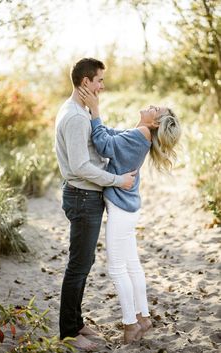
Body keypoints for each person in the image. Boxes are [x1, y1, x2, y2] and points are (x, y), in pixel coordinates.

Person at [78, 86, 181, 344]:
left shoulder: (141, 134)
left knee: (116, 269)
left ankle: (130, 324)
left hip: (122, 210)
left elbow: (103, 144)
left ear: (155, 121)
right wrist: (97, 114)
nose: (151, 105)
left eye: (155, 108)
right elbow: (112, 136)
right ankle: (143, 317)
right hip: (128, 208)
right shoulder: (139, 131)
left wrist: (96, 110)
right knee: (132, 265)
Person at [55, 58, 145, 351]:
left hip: (86, 196)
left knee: (84, 262)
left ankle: (76, 322)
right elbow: (81, 166)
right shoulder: (76, 117)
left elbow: (101, 143)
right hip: (82, 197)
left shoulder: (82, 112)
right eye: (99, 81)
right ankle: (68, 332)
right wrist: (118, 181)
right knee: (79, 266)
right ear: (85, 82)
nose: (102, 86)